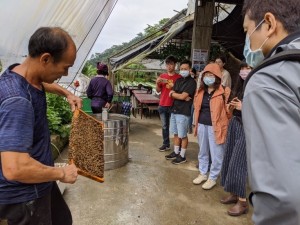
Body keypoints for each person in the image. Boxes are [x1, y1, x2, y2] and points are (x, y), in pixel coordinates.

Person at [0, 27, 80, 225]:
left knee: (63, 219)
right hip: (24, 199)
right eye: (65, 67)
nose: (66, 72)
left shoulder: (21, 73)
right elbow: (15, 168)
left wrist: (67, 94)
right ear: (45, 59)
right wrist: (62, 173)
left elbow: (43, 83)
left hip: (40, 182)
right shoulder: (18, 101)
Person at [242, 1, 300, 224]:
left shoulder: (270, 81)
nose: (247, 42)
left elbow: (283, 200)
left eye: (248, 31)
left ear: (269, 23)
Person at [220, 62, 251, 216]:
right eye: (243, 68)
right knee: (229, 158)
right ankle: (234, 193)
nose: (245, 71)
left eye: (249, 68)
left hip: (248, 128)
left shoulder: (259, 87)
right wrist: (232, 106)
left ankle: (243, 202)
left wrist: (244, 107)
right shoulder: (240, 86)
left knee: (238, 163)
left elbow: (264, 110)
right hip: (235, 124)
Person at [192, 63, 231, 190]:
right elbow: (196, 109)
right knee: (203, 151)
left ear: (217, 77)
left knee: (217, 154)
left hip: (217, 127)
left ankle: (213, 177)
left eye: (211, 75)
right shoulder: (200, 92)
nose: (208, 77)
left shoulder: (224, 91)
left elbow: (229, 112)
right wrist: (195, 124)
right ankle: (203, 173)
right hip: (202, 125)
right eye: (206, 75)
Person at [165, 59, 196, 164]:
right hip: (174, 110)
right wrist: (178, 95)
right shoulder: (178, 80)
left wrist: (176, 95)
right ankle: (176, 152)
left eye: (185, 69)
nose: (183, 70)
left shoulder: (192, 82)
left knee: (182, 135)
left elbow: (182, 96)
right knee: (175, 133)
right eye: (182, 69)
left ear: (190, 69)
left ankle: (182, 156)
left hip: (183, 111)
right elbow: (174, 92)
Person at [155, 55, 181, 151]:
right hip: (163, 104)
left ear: (175, 65)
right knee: (164, 126)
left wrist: (171, 84)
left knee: (176, 127)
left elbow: (180, 90)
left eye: (171, 64)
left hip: (175, 105)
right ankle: (166, 144)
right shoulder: (162, 76)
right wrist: (158, 83)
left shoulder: (179, 77)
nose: (169, 66)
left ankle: (177, 147)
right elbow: (157, 91)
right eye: (167, 64)